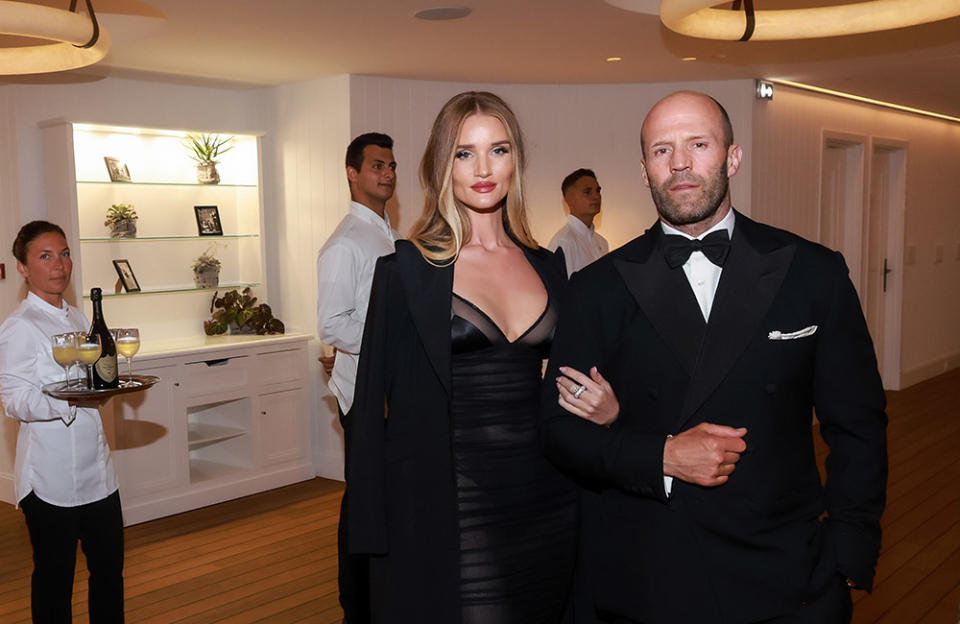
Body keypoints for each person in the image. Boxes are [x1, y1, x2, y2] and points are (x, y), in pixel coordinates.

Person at [542, 91, 887, 624]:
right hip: (650, 573)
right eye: (662, 150)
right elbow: (561, 434)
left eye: (698, 144)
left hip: (787, 572)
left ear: (732, 157)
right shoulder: (595, 289)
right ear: (643, 170)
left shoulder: (813, 273)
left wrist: (848, 549)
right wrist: (663, 456)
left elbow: (858, 424)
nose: (679, 162)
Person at [347, 91, 591, 623]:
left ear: (515, 162)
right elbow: (369, 411)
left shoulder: (549, 266)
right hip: (453, 502)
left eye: (497, 150)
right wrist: (367, 535)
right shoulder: (406, 271)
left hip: (548, 493)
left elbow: (569, 382)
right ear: (442, 166)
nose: (483, 168)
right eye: (464, 153)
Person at [0, 220, 125, 623]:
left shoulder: (76, 317)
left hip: (98, 472)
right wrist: (67, 400)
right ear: (22, 267)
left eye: (65, 253)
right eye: (45, 256)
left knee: (109, 573)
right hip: (51, 479)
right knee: (55, 581)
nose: (59, 265)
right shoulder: (20, 327)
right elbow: (13, 400)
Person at [316, 132, 399, 623]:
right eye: (376, 166)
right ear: (353, 173)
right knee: (363, 500)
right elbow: (330, 324)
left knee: (379, 496)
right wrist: (391, 338)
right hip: (363, 394)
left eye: (390, 165)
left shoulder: (386, 233)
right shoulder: (345, 243)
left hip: (388, 389)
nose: (387, 173)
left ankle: (378, 592)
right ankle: (356, 603)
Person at [547, 168, 609, 276]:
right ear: (569, 199)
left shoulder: (602, 242)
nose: (596, 196)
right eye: (587, 192)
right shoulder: (563, 243)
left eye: (598, 191)